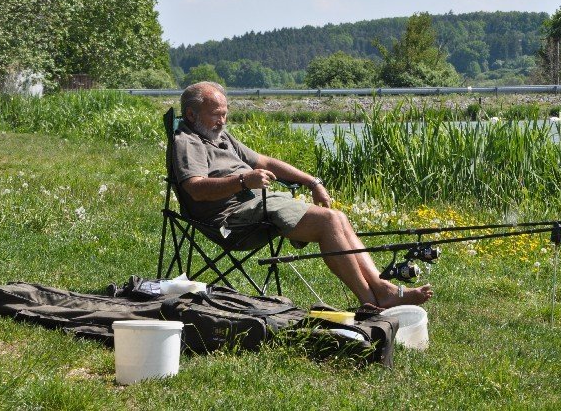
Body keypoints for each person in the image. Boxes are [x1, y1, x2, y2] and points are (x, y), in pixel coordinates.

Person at [173, 81, 433, 308]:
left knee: (336, 216)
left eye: (225, 114)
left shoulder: (220, 137)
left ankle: (381, 287)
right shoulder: (187, 141)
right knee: (328, 222)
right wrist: (243, 180)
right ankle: (370, 299)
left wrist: (312, 182)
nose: (222, 121)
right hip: (231, 220)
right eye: (216, 115)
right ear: (191, 115)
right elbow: (195, 188)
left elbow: (264, 161)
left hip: (257, 204)